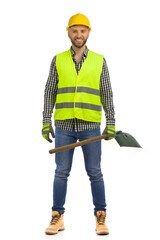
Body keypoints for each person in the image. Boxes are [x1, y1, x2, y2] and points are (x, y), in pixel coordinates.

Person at [42, 13, 115, 235]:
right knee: (61, 172)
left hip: (90, 125)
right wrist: (46, 121)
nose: (79, 35)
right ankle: (57, 216)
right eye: (75, 31)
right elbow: (49, 92)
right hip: (64, 125)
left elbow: (106, 93)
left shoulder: (99, 60)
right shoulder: (58, 59)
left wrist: (110, 121)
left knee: (95, 172)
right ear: (68, 33)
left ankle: (100, 217)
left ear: (88, 33)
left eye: (83, 31)